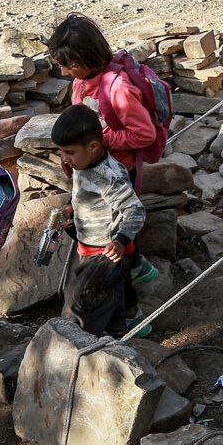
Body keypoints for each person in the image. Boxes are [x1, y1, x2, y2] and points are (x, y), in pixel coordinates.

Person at [50, 104, 147, 336]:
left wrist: (121, 240)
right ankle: (118, 333)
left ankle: (75, 346)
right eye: (62, 152)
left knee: (77, 307)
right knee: (109, 296)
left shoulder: (108, 177)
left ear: (93, 146)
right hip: (89, 245)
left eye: (69, 152)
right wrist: (71, 209)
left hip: (105, 252)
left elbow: (135, 210)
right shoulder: (83, 164)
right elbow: (82, 193)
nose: (64, 159)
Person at [47, 13, 157, 189]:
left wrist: (99, 140)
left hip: (117, 171)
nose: (64, 73)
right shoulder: (80, 82)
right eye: (61, 65)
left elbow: (144, 134)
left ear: (88, 59)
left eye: (69, 66)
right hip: (91, 164)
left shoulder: (119, 89)